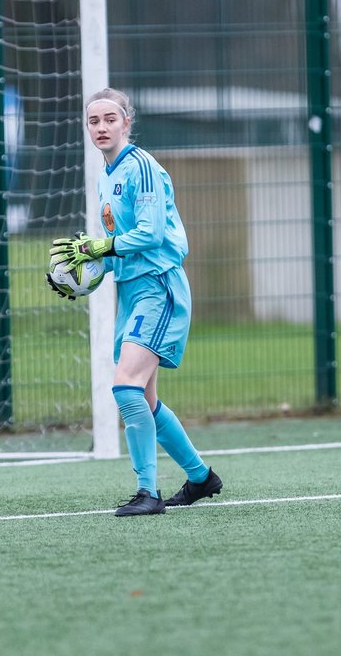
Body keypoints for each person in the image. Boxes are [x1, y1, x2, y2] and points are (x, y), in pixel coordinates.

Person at [49, 87, 223, 516]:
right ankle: (201, 478)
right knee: (142, 399)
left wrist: (97, 249)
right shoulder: (105, 176)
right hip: (132, 290)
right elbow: (116, 246)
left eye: (110, 118)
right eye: (94, 121)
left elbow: (150, 236)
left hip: (159, 286)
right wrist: (81, 276)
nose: (102, 127)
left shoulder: (141, 166)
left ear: (127, 122)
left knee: (125, 386)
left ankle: (148, 493)